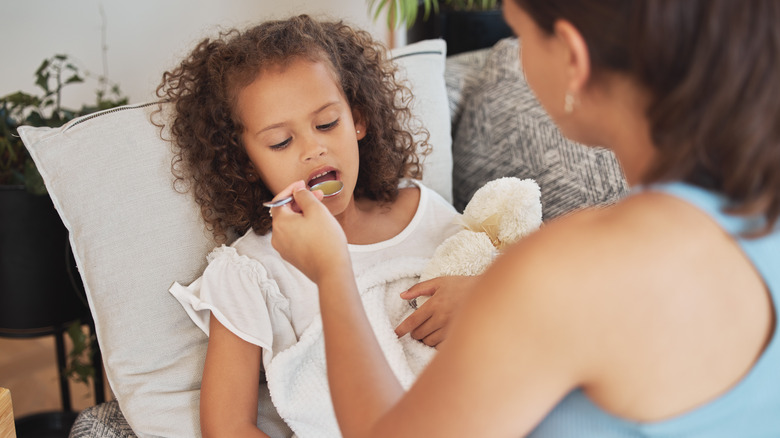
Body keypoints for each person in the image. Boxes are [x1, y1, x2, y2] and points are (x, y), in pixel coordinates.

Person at [269, 1, 780, 437]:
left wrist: (333, 273)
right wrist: (500, 303)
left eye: (520, 34)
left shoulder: (562, 271)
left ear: (574, 59)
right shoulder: (756, 203)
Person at [157, 15, 469, 437]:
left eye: (326, 124)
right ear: (246, 164)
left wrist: (481, 295)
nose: (314, 147)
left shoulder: (421, 207)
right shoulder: (251, 271)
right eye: (281, 142)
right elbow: (227, 427)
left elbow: (503, 286)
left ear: (358, 120)